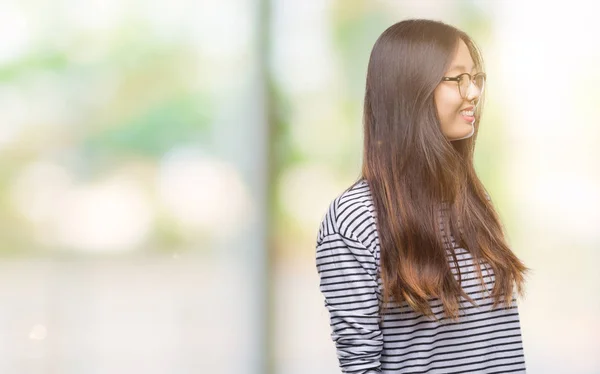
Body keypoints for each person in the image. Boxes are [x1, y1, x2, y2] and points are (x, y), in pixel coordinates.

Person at [315, 19, 530, 373]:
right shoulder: (354, 220)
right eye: (456, 78)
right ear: (409, 90)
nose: (473, 92)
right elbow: (361, 365)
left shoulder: (472, 200)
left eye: (475, 78)